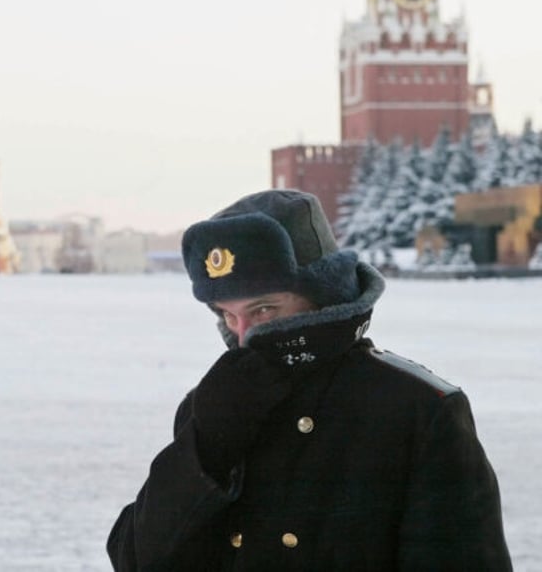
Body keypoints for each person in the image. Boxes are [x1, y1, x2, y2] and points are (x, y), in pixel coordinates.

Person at [107, 189, 511, 571]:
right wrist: (204, 450)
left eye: (264, 309)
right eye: (228, 315)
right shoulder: (214, 405)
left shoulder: (418, 411)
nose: (244, 336)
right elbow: (134, 560)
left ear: (324, 295)